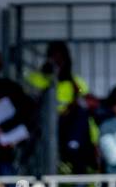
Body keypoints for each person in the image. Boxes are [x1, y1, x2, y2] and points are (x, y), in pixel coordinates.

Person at [26, 41, 98, 173]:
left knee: (81, 114)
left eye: (61, 58)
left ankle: (76, 151)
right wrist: (50, 78)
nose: (57, 62)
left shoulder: (76, 82)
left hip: (69, 127)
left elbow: (86, 103)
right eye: (54, 57)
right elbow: (32, 102)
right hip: (44, 126)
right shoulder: (36, 78)